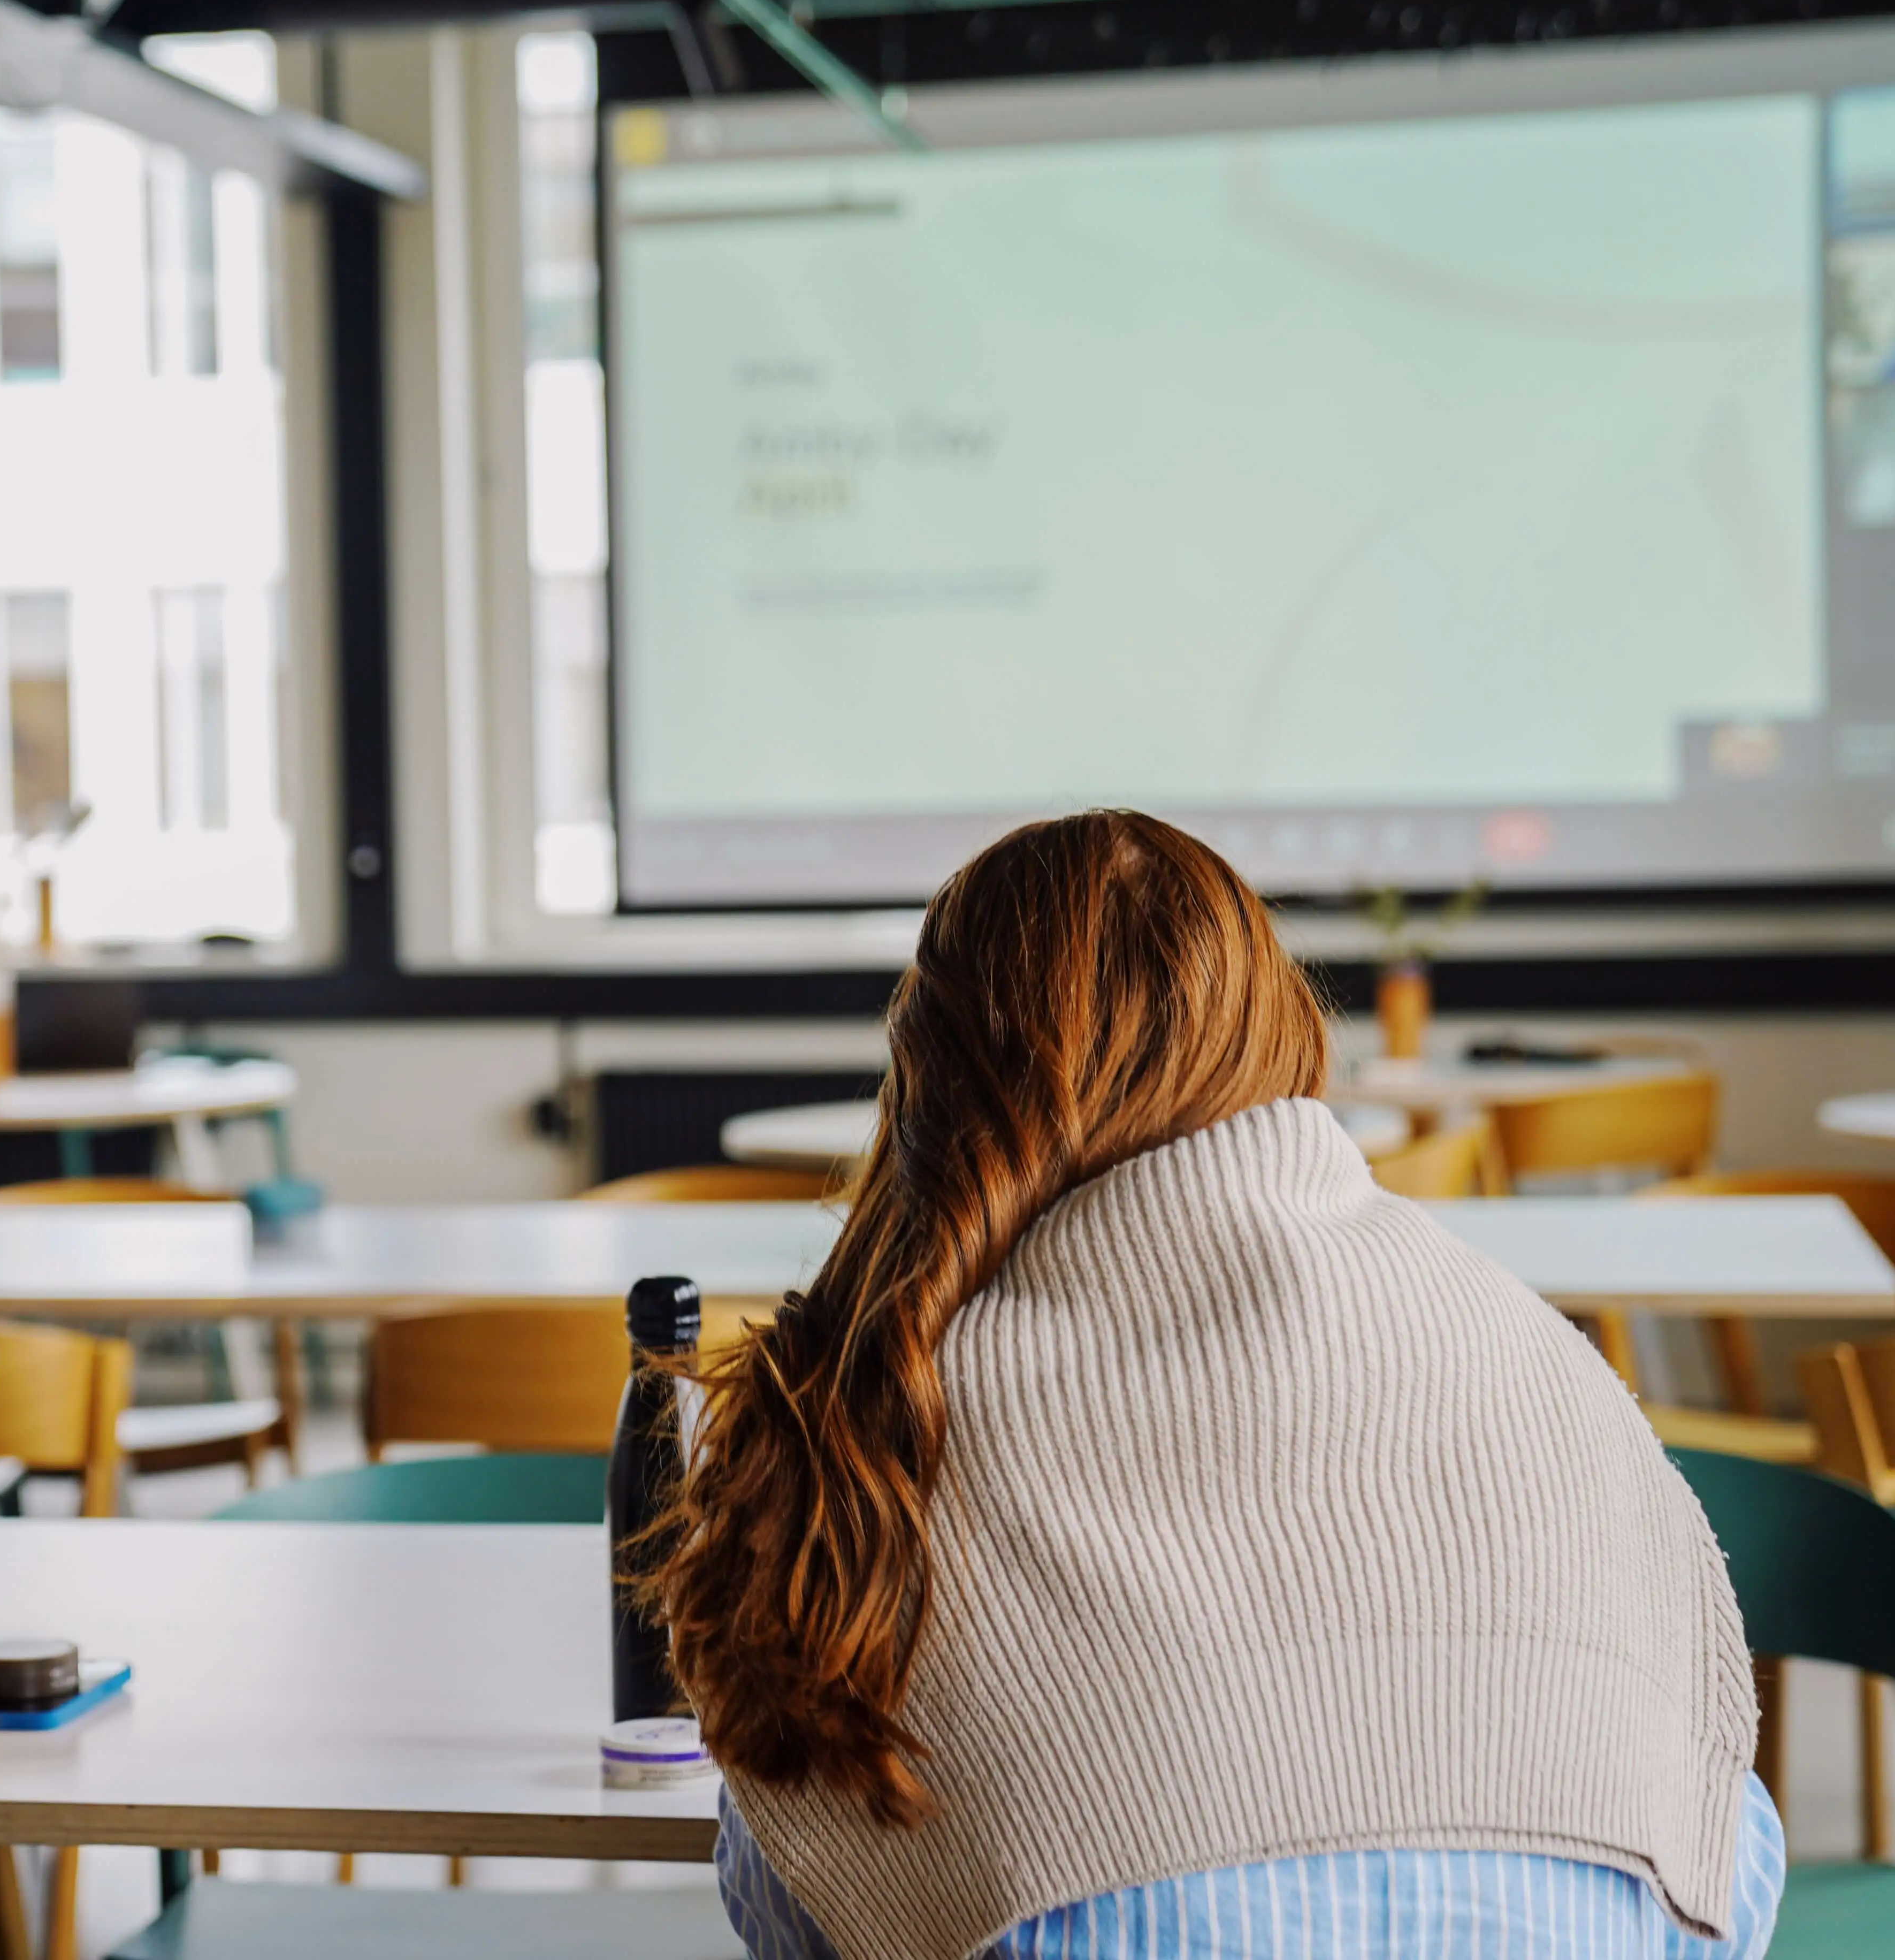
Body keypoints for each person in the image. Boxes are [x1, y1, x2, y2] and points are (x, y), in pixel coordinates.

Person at [654, 812, 1781, 1960]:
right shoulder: (1525, 1336)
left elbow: (803, 1900)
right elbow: (1724, 1866)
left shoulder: (892, 1420)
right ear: (1279, 1026)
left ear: (932, 1077)